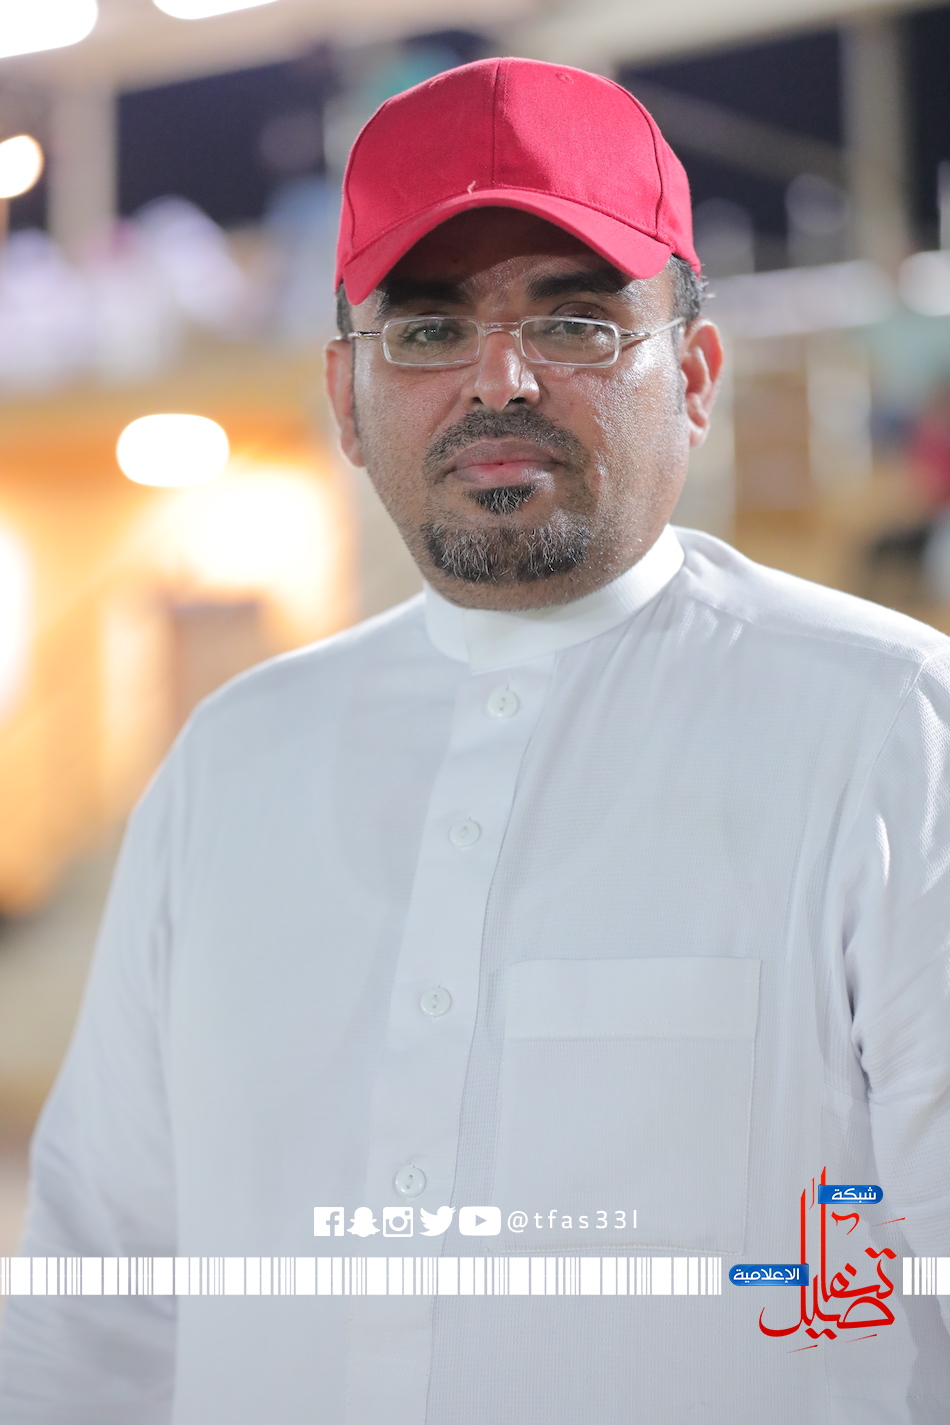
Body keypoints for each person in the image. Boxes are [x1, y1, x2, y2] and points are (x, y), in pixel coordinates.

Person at [1, 56, 949, 1425]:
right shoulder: (234, 765)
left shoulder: (886, 733)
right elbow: (99, 1302)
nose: (498, 380)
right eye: (429, 329)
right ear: (346, 397)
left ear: (693, 374)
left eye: (572, 322)